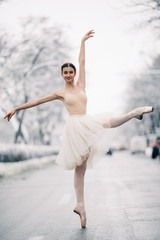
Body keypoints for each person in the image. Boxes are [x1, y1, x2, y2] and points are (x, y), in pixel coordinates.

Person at [4, 30, 154, 228]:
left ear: (74, 74)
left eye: (70, 72)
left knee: (107, 122)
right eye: (65, 72)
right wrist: (16, 108)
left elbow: (82, 62)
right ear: (61, 75)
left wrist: (82, 42)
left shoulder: (81, 85)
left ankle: (134, 113)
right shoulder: (59, 93)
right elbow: (38, 101)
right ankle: (81, 205)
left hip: (86, 121)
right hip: (75, 127)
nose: (68, 75)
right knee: (80, 169)